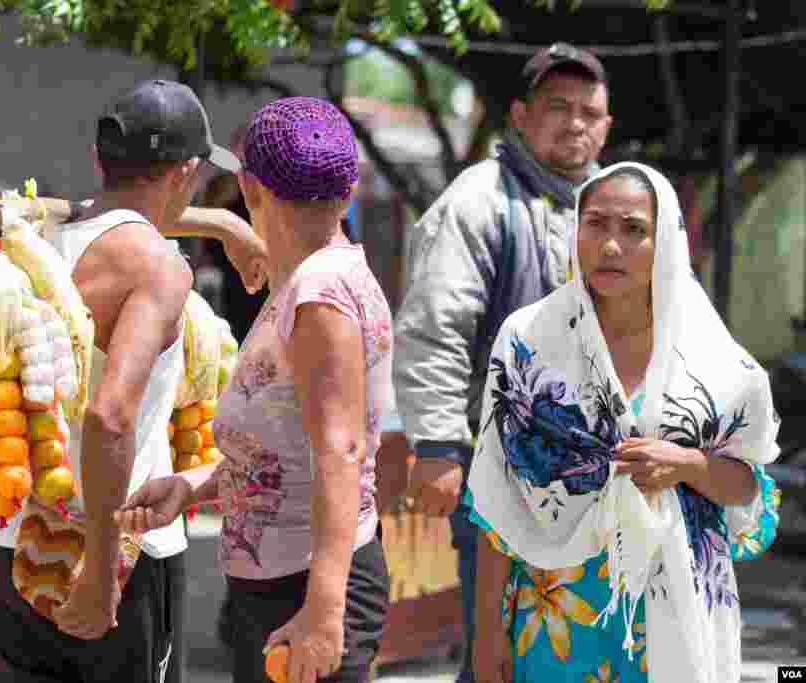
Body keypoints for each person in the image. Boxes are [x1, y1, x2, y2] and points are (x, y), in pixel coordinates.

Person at [0, 79, 254, 683]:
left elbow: (100, 213)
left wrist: (223, 228)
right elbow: (109, 416)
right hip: (119, 553)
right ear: (185, 172)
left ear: (102, 160)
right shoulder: (158, 267)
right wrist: (100, 576)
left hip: (16, 541)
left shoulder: (38, 238)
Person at [466, 162, 782, 683]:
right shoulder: (528, 341)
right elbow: (495, 501)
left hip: (680, 614)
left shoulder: (715, 361)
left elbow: (750, 488)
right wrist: (486, 637)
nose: (611, 245)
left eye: (634, 229)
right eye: (595, 224)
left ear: (668, 244)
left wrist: (688, 464)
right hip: (558, 618)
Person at [118, 97, 393, 683]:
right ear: (348, 193)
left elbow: (340, 453)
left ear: (249, 188)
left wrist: (323, 612)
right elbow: (288, 445)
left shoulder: (319, 293)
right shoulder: (309, 272)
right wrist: (194, 486)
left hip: (306, 587)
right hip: (278, 582)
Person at [391, 42, 612, 682]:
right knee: (502, 652)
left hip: (603, 474)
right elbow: (437, 328)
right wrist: (436, 446)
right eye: (557, 108)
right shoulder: (479, 201)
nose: (575, 123)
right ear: (518, 114)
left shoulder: (620, 208)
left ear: (607, 125)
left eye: (589, 112)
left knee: (585, 651)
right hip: (499, 472)